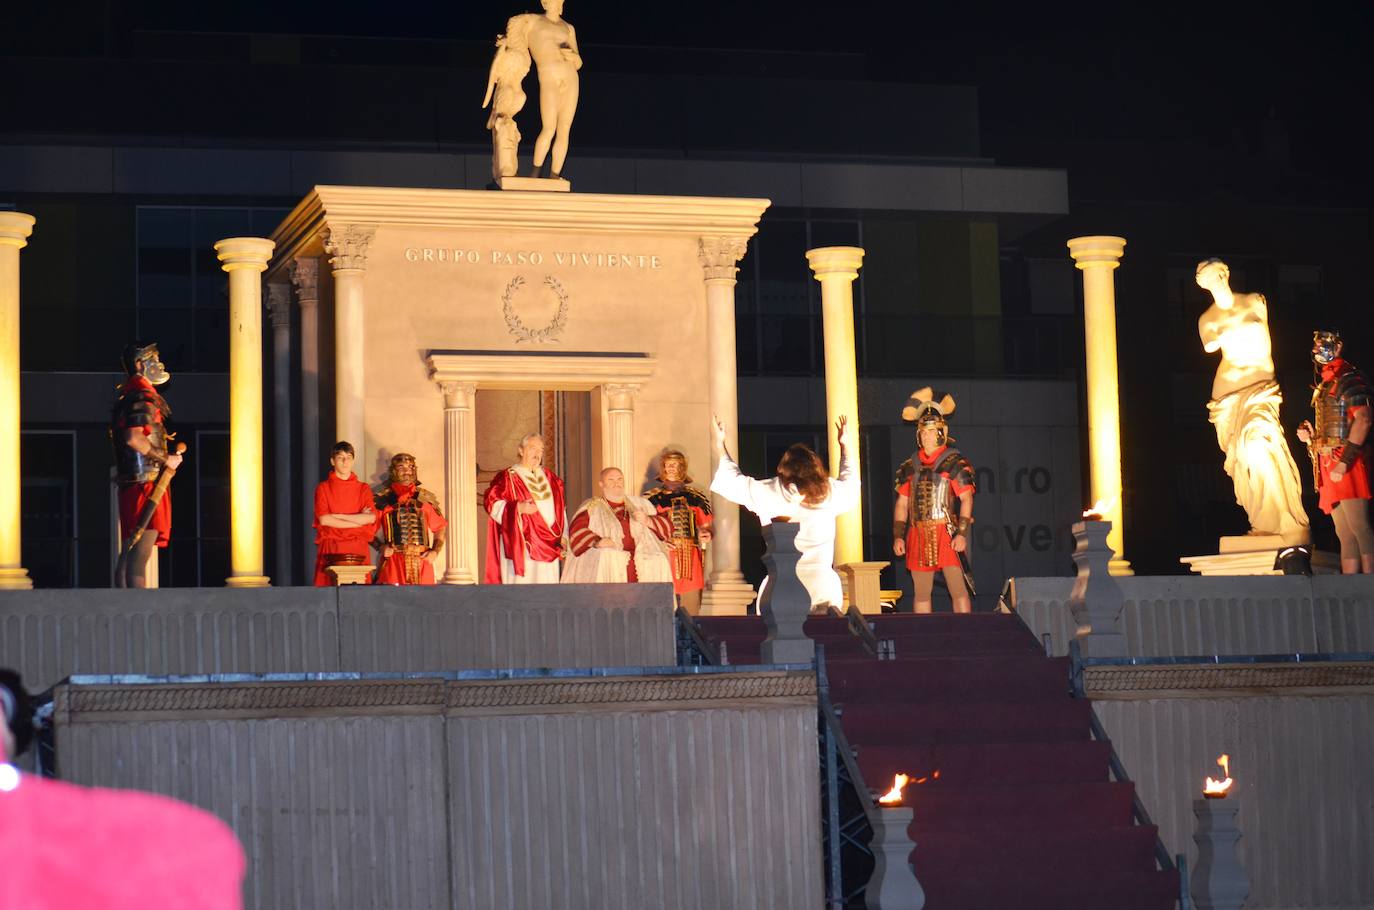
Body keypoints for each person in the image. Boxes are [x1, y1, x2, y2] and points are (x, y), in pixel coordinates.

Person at [1196, 258, 1309, 544]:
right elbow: (1210, 347)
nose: (1215, 282)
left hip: (1261, 388)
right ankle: (1263, 521)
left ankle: (1285, 517)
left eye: (1217, 275)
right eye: (1207, 279)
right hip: (1228, 394)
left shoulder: (1255, 301)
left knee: (1261, 445)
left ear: (1226, 274)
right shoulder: (1207, 320)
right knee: (1245, 456)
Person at [709, 414, 859, 610]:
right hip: (823, 585)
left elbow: (732, 480)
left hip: (783, 585)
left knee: (782, 638)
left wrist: (721, 445)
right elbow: (850, 481)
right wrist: (845, 447)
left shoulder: (774, 492)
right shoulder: (829, 493)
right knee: (822, 636)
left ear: (784, 467)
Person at [892, 389, 975, 614]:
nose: (927, 436)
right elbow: (902, 503)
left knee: (957, 589)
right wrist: (898, 535)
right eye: (924, 432)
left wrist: (961, 533)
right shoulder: (909, 467)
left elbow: (966, 498)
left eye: (932, 432)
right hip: (918, 533)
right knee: (921, 592)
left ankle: (965, 632)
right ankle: (923, 637)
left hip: (946, 532)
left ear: (941, 432)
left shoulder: (954, 462)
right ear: (918, 435)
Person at [1297, 330, 1373, 573]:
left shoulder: (1349, 377)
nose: (1318, 349)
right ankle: (1350, 587)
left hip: (1346, 461)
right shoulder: (1325, 383)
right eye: (1316, 345)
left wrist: (1345, 461)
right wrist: (1311, 439)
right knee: (1344, 532)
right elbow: (1331, 428)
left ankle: (1369, 584)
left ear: (1338, 346)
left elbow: (1364, 419)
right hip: (1328, 462)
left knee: (1359, 525)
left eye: (1324, 344)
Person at [110, 342, 183, 588]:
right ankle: (138, 609)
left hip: (138, 483)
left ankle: (128, 605)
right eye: (154, 358)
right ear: (140, 364)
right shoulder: (142, 395)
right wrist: (166, 459)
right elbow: (134, 438)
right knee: (139, 552)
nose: (159, 364)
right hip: (145, 484)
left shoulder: (130, 395)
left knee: (131, 551)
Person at [562, 467, 673, 583]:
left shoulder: (641, 504)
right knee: (609, 556)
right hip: (611, 556)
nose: (617, 483)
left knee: (659, 559)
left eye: (620, 479)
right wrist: (596, 542)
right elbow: (577, 531)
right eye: (611, 480)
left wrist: (648, 520)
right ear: (601, 484)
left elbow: (668, 527)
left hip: (640, 555)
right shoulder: (591, 506)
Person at [484, 433, 567, 583]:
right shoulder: (507, 477)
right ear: (521, 450)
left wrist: (564, 536)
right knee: (522, 591)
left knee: (547, 591)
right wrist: (518, 508)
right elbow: (492, 503)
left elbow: (561, 510)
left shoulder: (552, 479)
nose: (537, 454)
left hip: (550, 544)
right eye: (532, 448)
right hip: (522, 544)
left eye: (540, 450)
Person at [644, 450, 713, 613]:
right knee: (664, 600)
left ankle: (689, 634)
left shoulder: (696, 497)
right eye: (668, 465)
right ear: (663, 468)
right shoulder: (651, 499)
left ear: (682, 466)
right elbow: (644, 529)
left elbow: (707, 525)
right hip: (664, 553)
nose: (672, 468)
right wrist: (660, 542)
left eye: (675, 464)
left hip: (691, 554)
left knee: (691, 605)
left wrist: (707, 533)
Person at [373, 453, 447, 585]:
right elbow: (366, 531)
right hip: (394, 560)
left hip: (422, 560)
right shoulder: (382, 499)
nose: (407, 471)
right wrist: (381, 547)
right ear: (394, 471)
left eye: (410, 467)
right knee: (392, 602)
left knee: (424, 602)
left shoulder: (425, 498)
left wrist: (435, 552)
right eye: (401, 467)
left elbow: (440, 528)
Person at [311, 441, 376, 586]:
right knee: (330, 592)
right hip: (332, 546)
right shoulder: (323, 488)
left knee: (359, 595)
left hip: (358, 546)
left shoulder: (363, 488)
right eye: (340, 458)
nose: (345, 461)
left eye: (349, 457)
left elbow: (371, 518)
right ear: (332, 461)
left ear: (353, 461)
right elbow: (325, 520)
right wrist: (358, 520)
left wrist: (339, 516)